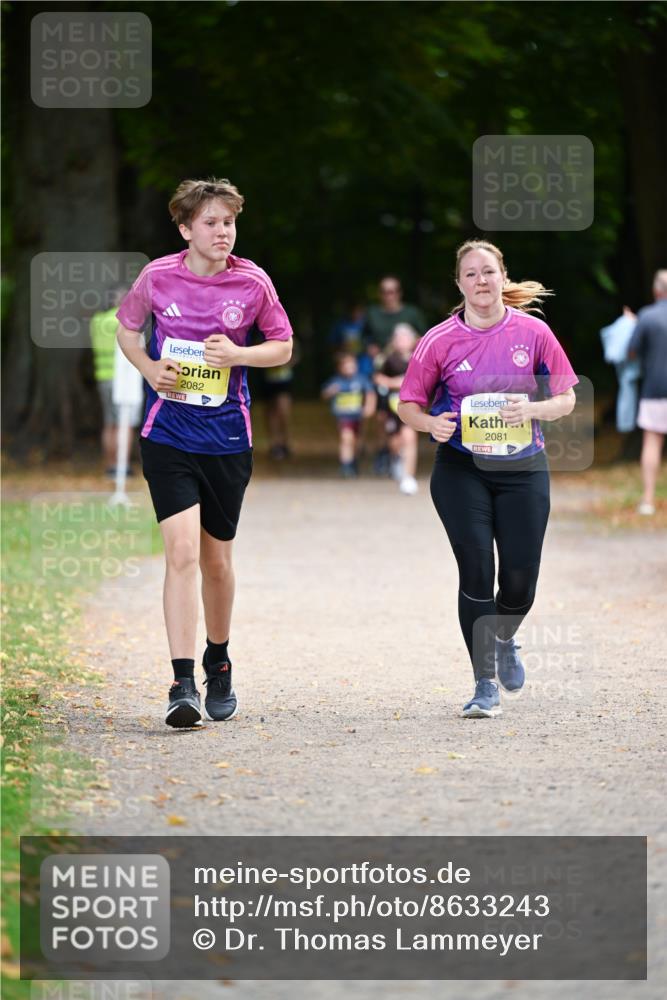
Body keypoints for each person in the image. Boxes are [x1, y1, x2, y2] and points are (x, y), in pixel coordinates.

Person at [116, 178, 293, 728]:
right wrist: (149, 368)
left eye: (229, 222)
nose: (223, 232)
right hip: (167, 434)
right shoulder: (157, 276)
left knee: (216, 563)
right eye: (212, 222)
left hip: (227, 441)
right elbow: (126, 329)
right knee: (183, 556)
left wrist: (239, 353)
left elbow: (283, 345)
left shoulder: (251, 281)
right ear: (186, 228)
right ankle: (182, 681)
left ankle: (219, 659)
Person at [398, 239, 577, 719]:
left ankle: (503, 638)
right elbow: (408, 405)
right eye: (471, 274)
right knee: (476, 571)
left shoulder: (534, 332)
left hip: (522, 468)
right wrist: (430, 424)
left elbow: (566, 398)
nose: (481, 281)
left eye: (489, 272)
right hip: (462, 470)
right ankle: (483, 685)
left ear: (503, 277)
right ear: (460, 284)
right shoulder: (439, 340)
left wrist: (533, 407)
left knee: (519, 583)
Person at [90, 285, 142, 476]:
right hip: (123, 379)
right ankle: (122, 466)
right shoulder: (123, 321)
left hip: (103, 376)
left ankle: (110, 465)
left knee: (109, 423)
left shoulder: (97, 320)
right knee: (125, 422)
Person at [627, 269, 667, 516]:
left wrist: (634, 324)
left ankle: (648, 500)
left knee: (652, 443)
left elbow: (631, 352)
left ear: (656, 291)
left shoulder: (647, 317)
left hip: (654, 388)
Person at [373, 323, 420, 495]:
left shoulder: (419, 358)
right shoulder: (386, 359)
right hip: (392, 405)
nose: (402, 341)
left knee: (410, 436)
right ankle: (396, 460)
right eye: (399, 337)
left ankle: (409, 477)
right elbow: (377, 378)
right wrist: (395, 383)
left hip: (411, 404)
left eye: (406, 337)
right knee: (395, 441)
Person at [321, 351, 375, 477]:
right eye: (345, 366)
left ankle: (353, 461)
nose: (349, 368)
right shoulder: (336, 381)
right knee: (346, 438)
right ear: (339, 367)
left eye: (351, 365)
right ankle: (345, 465)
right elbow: (324, 394)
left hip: (358, 417)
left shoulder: (361, 380)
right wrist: (330, 391)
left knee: (356, 441)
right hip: (343, 417)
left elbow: (370, 394)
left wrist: (369, 407)